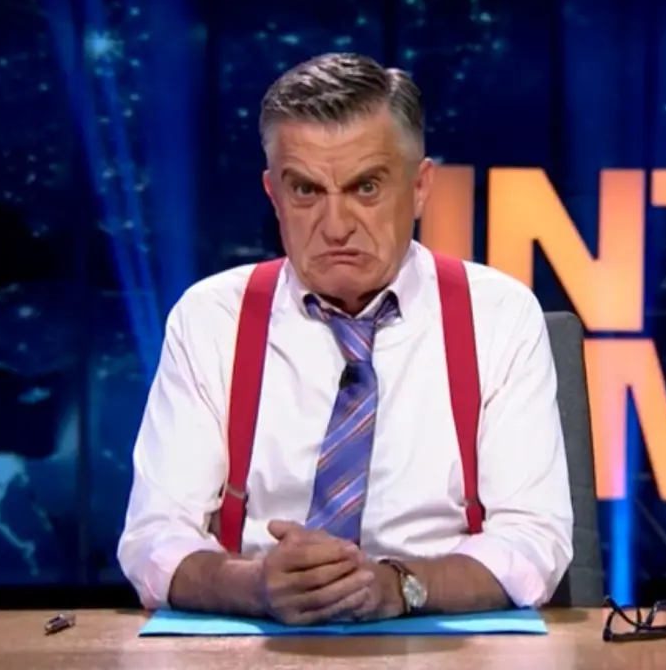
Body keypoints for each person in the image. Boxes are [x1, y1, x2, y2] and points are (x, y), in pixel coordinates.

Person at [117, 52, 573, 625]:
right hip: (254, 647)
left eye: (366, 187)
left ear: (421, 187)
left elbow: (533, 543)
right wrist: (254, 585)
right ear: (273, 193)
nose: (335, 226)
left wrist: (395, 586)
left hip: (439, 642)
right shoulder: (211, 319)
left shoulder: (499, 316)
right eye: (306, 190)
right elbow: (153, 539)